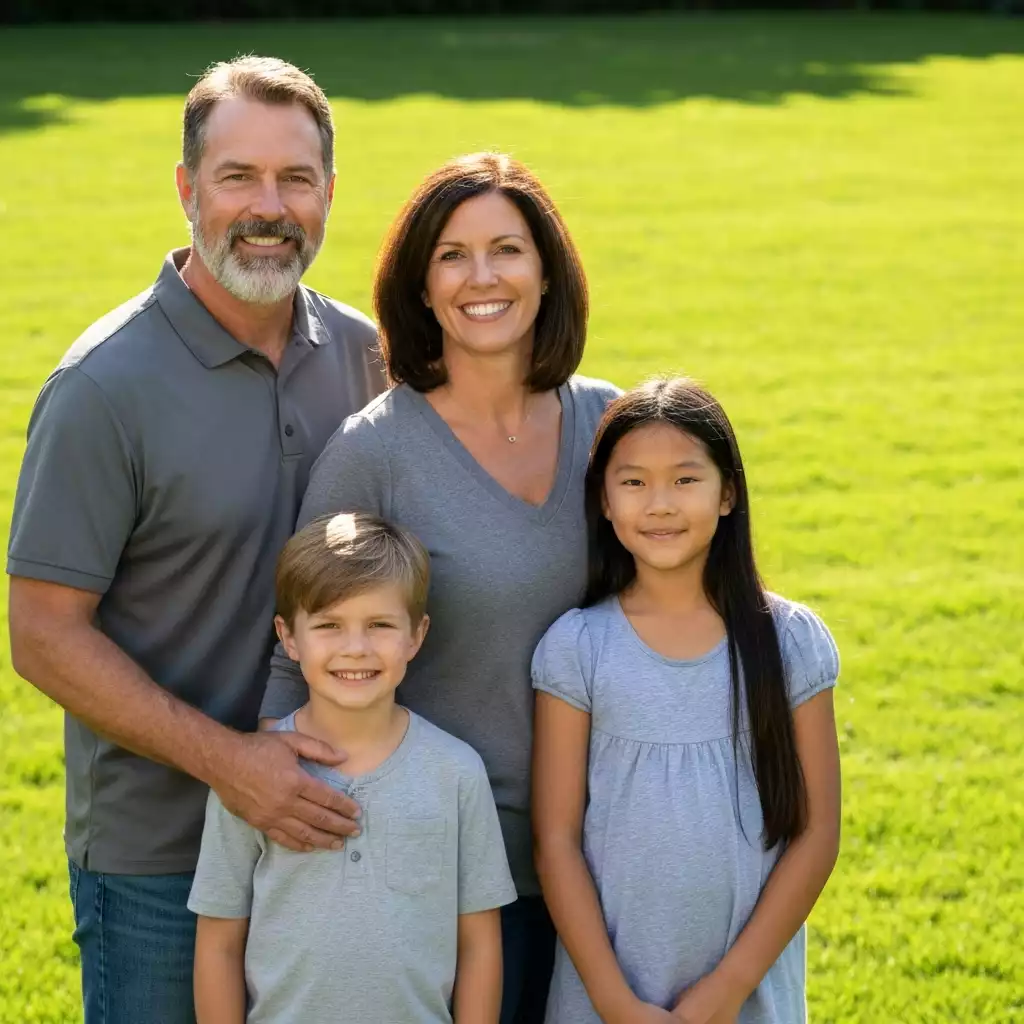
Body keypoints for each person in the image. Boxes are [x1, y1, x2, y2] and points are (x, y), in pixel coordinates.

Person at [6, 57, 385, 1023]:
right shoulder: (101, 390)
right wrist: (230, 763)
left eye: (296, 179)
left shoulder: (368, 357)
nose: (270, 207)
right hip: (159, 863)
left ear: (330, 194)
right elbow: (43, 633)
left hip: (337, 835)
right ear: (186, 189)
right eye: (238, 177)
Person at [259, 151, 619, 1023]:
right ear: (420, 287)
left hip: (613, 856)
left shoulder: (610, 425)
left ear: (547, 272)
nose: (481, 277)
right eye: (451, 256)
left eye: (507, 249)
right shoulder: (373, 451)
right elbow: (303, 645)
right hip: (441, 872)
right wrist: (274, 791)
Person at [532, 377, 842, 1024]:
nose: (660, 504)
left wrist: (728, 989)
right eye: (634, 482)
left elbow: (816, 834)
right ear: (605, 502)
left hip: (747, 998)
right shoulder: (579, 647)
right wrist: (614, 1002)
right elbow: (555, 840)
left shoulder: (789, 642)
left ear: (728, 493)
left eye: (686, 480)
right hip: (604, 1000)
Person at [189, 512, 516, 1024]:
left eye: (380, 625)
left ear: (416, 634)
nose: (355, 648)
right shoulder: (254, 780)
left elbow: (479, 944)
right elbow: (219, 944)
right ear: (289, 637)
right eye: (329, 625)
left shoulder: (456, 773)